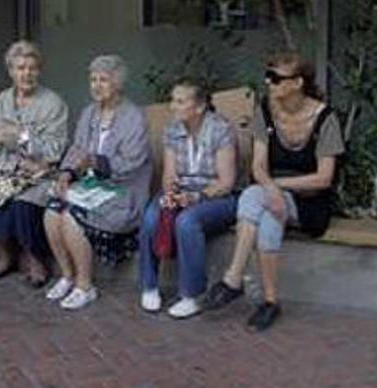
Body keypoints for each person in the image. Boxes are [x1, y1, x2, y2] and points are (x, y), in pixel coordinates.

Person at [203, 53, 344, 331]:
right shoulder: (265, 112)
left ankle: (234, 279)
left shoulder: (326, 118)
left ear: (297, 83)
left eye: (277, 78)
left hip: (310, 202)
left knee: (255, 198)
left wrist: (276, 187)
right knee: (264, 210)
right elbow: (258, 165)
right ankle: (269, 301)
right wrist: (271, 188)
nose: (269, 83)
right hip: (271, 195)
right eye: (268, 76)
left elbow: (324, 178)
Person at [44, 55, 153, 310]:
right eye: (93, 80)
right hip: (92, 187)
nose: (96, 85)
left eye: (103, 80)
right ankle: (67, 275)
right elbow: (76, 150)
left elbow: (132, 163)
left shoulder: (133, 117)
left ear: (118, 84)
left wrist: (95, 161)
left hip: (123, 191)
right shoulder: (89, 113)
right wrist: (66, 173)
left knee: (72, 216)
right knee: (51, 210)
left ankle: (85, 285)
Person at [137, 81, 239, 319]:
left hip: (216, 195)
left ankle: (190, 295)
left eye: (181, 101)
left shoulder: (220, 129)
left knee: (187, 221)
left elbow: (226, 182)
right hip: (183, 192)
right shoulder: (173, 129)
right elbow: (169, 174)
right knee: (152, 216)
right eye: (173, 100)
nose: (173, 106)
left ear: (200, 106)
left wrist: (196, 197)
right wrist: (171, 194)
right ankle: (149, 286)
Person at [0, 41, 68, 287]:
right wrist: (17, 163)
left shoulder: (53, 103)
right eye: (21, 68)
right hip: (8, 171)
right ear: (11, 71)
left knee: (24, 204)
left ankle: (36, 260)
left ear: (39, 71)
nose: (27, 73)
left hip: (42, 175)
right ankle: (5, 256)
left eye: (32, 68)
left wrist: (21, 137)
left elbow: (54, 149)